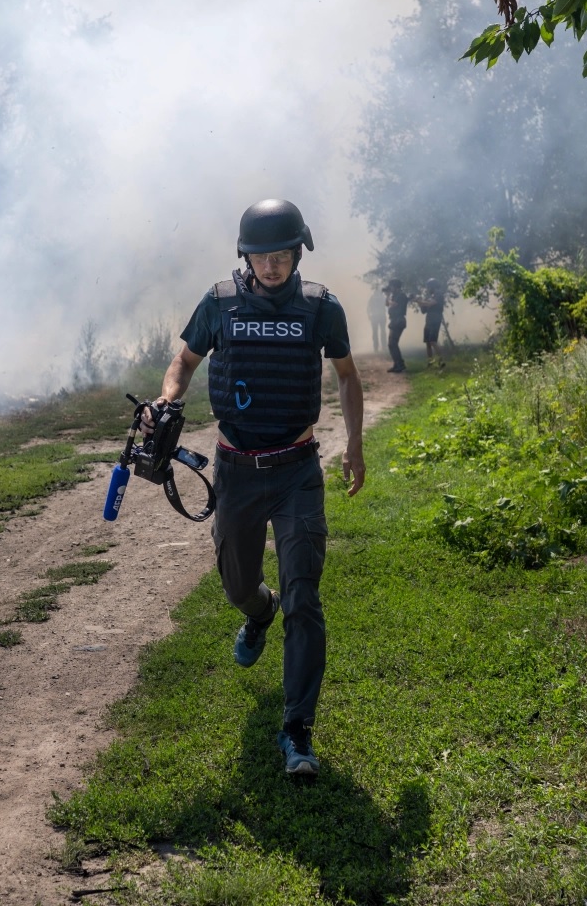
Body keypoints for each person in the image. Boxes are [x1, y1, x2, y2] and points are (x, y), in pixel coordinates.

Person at [148, 198, 364, 777]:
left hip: (297, 469)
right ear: (246, 256)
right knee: (239, 585)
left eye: (282, 254)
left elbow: (347, 377)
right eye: (261, 255)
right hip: (237, 470)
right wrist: (167, 400)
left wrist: (356, 446)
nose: (272, 265)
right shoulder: (219, 302)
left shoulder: (322, 308)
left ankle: (297, 732)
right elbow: (184, 362)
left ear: (299, 252)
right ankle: (257, 612)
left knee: (305, 596)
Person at [415, 279, 446, 367]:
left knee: (432, 341)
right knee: (427, 342)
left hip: (435, 319)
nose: (428, 288)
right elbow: (423, 310)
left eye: (429, 286)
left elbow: (430, 304)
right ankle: (430, 362)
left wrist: (420, 301)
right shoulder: (431, 296)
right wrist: (418, 301)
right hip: (429, 320)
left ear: (433, 286)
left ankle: (441, 360)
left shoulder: (438, 294)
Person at [384, 279, 408, 373]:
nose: (391, 288)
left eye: (392, 286)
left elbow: (394, 304)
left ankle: (400, 364)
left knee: (393, 343)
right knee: (391, 344)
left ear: (396, 286)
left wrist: (389, 297)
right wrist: (387, 296)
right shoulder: (394, 295)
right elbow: (387, 304)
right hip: (394, 320)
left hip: (399, 320)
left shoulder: (401, 295)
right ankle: (397, 364)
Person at [366, 285, 386, 353]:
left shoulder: (373, 297)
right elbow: (368, 307)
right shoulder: (381, 297)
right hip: (379, 316)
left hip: (376, 316)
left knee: (377, 332)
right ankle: (381, 347)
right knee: (381, 332)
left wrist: (369, 315)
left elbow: (368, 307)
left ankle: (377, 347)